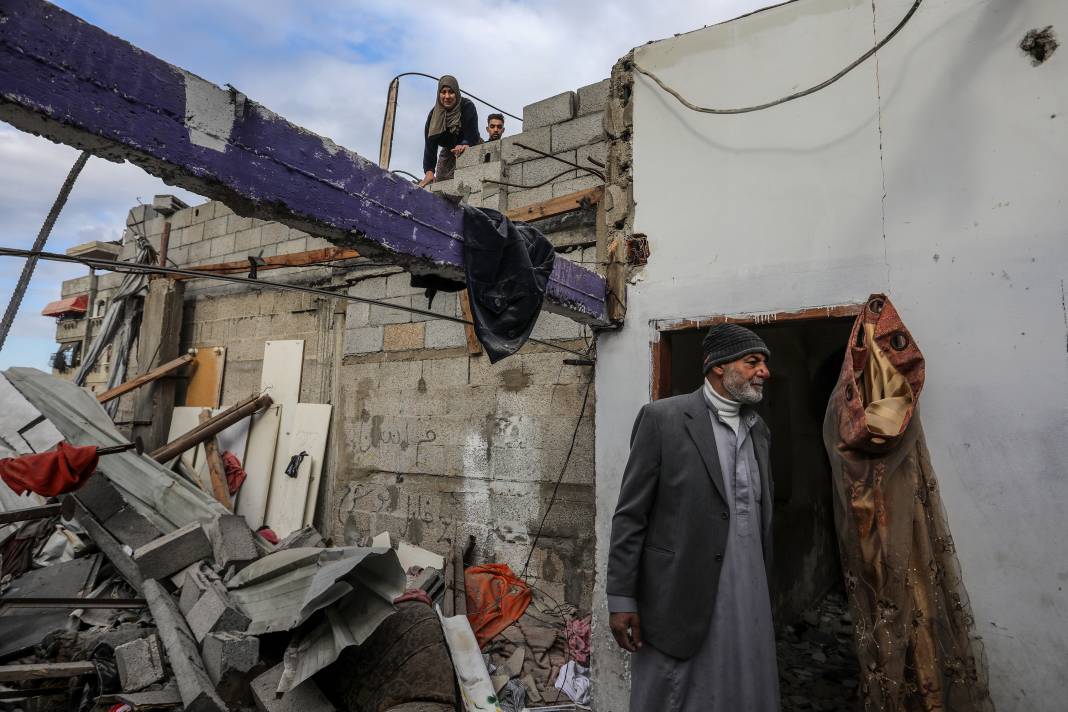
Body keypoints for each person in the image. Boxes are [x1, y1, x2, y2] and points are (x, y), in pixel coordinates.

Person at [607, 323, 780, 711]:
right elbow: (630, 515)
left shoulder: (759, 430)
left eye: (764, 363)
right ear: (718, 366)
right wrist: (621, 599)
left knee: (744, 685)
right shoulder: (663, 419)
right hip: (677, 591)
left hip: (747, 591)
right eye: (752, 362)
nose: (764, 371)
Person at [418, 75, 480, 187]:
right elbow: (430, 146)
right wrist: (429, 171)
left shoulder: (467, 106)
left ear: (456, 92)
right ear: (439, 94)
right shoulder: (433, 116)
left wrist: (465, 144)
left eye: (451, 92)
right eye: (443, 92)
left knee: (469, 183)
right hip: (449, 150)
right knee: (442, 186)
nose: (447, 96)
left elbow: (472, 133)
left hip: (471, 146)